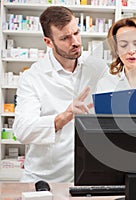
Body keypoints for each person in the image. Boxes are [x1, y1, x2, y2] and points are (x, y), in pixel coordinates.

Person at [13, 6, 107, 182]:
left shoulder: (98, 69)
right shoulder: (32, 77)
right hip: (44, 178)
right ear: (48, 42)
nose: (76, 42)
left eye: (77, 33)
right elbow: (22, 131)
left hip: (88, 175)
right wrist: (64, 116)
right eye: (65, 38)